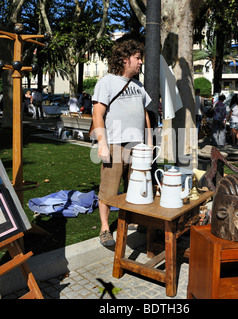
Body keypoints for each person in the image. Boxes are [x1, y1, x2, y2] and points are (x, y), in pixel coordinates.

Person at [92, 39, 152, 247]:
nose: (140, 62)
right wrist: (102, 144)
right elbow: (97, 114)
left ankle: (133, 221)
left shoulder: (138, 85)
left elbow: (145, 116)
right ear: (125, 59)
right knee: (109, 191)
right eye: (137, 58)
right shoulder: (106, 82)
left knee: (135, 186)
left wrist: (149, 143)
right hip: (116, 144)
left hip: (137, 146)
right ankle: (105, 229)